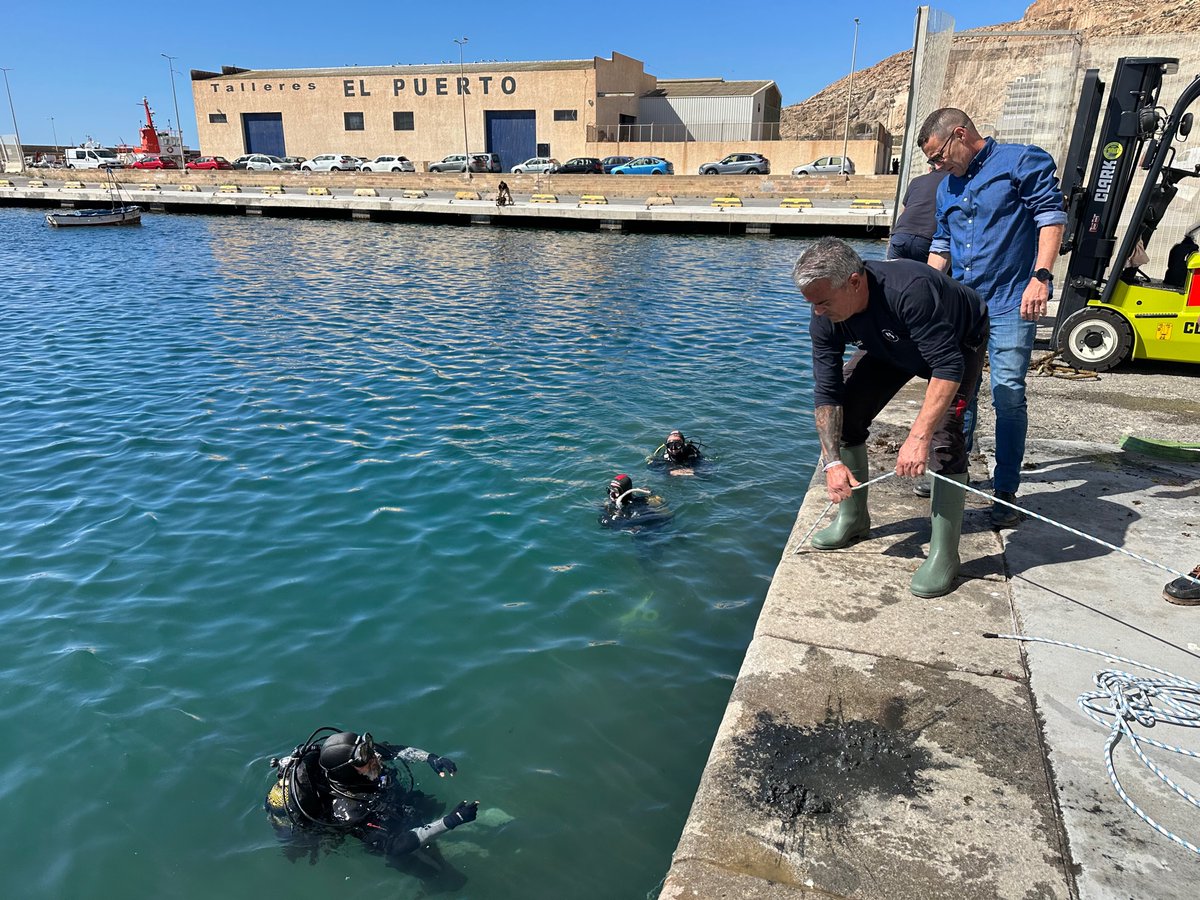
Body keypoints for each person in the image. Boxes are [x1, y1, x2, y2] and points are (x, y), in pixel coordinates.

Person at [794, 237, 988, 598]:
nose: (817, 311)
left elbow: (947, 367)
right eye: (812, 304)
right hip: (888, 344)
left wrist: (917, 437)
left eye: (823, 302)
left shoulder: (909, 290)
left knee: (944, 439)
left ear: (854, 282)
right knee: (848, 414)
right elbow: (827, 391)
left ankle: (945, 555)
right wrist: (831, 462)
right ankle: (853, 519)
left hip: (957, 342)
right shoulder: (825, 314)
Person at [920, 108, 1067, 528]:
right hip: (964, 305)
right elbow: (942, 243)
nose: (937, 166)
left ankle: (1005, 489)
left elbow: (1050, 216)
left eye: (938, 155)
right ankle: (953, 474)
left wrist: (1040, 276)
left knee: (1007, 393)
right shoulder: (946, 187)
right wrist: (927, 294)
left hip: (1011, 301)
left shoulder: (1022, 161)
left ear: (960, 134)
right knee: (956, 393)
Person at [265, 727, 478, 860]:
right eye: (366, 759)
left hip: (391, 801)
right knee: (438, 872)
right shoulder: (349, 810)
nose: (374, 757)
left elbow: (394, 750)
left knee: (425, 806)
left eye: (368, 749)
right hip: (390, 834)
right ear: (348, 772)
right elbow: (393, 846)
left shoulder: (363, 755)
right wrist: (450, 822)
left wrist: (432, 758)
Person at [887, 167, 949, 262]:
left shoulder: (916, 180)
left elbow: (905, 209)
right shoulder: (952, 181)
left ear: (929, 169)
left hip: (900, 235)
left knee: (892, 275)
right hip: (927, 239)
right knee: (923, 276)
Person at [599, 473, 671, 530]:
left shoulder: (636, 505)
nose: (612, 494)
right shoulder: (612, 502)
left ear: (624, 492)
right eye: (609, 490)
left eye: (615, 491)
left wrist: (618, 516)